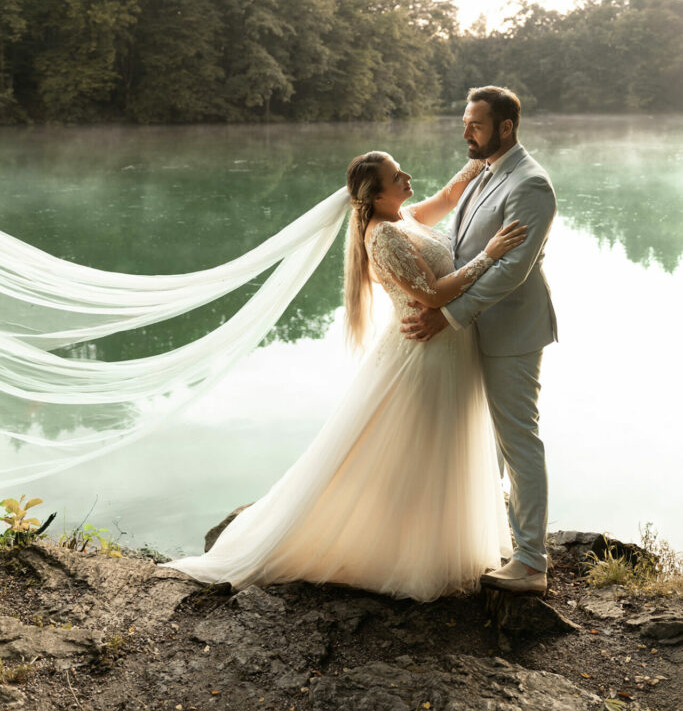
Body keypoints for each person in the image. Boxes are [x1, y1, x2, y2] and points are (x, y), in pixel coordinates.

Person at [161, 147, 528, 602]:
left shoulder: (405, 217)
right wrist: (489, 255)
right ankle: (407, 553)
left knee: (440, 448)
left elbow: (451, 196)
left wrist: (484, 157)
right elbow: (433, 296)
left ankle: (433, 542)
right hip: (424, 354)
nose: (407, 176)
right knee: (421, 449)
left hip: (447, 348)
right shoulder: (383, 237)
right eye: (397, 176)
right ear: (375, 196)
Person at [400, 86, 557, 596]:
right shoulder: (485, 173)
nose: (465, 131)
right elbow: (460, 243)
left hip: (511, 330)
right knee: (488, 443)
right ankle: (498, 539)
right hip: (476, 329)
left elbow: (513, 269)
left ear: (506, 126)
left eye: (476, 124)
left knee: (518, 443)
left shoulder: (531, 185)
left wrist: (447, 315)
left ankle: (532, 562)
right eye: (466, 122)